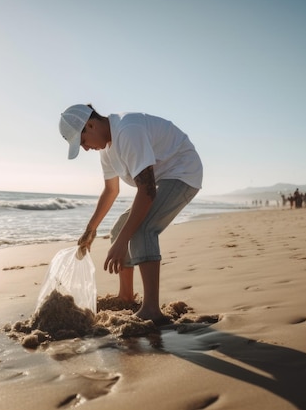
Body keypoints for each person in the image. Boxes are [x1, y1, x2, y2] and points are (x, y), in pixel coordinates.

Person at [58, 103, 203, 323]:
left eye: (83, 142)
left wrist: (122, 243)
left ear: (90, 125)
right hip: (162, 178)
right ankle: (126, 297)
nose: (85, 148)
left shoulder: (127, 131)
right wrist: (91, 230)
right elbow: (111, 190)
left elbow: (147, 191)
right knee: (119, 230)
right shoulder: (106, 148)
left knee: (142, 229)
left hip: (182, 172)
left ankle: (151, 310)